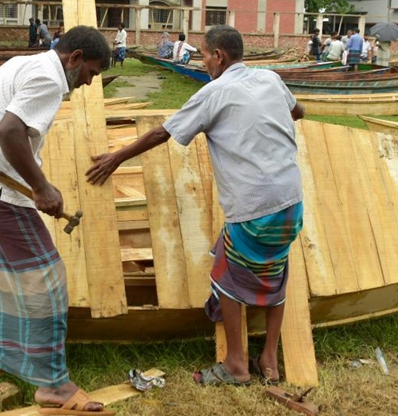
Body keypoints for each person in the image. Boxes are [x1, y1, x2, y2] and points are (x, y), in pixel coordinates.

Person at [86, 25, 305, 387]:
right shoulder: (270, 79)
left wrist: (117, 157)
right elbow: (299, 111)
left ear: (218, 56)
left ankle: (236, 364)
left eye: (203, 55)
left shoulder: (214, 92)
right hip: (291, 203)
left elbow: (162, 133)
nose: (202, 62)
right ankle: (269, 360)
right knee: (275, 272)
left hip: (254, 207)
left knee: (226, 275)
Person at [0, 25, 114, 414]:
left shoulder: (22, 63)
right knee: (47, 280)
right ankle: (53, 386)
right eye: (92, 73)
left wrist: (33, 184)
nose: (88, 83)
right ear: (75, 59)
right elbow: (9, 130)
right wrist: (41, 188)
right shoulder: (49, 79)